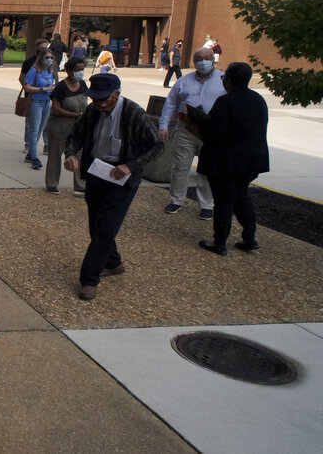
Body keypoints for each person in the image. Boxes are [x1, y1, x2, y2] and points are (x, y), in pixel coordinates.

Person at [64, 74, 164, 300]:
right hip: (97, 173)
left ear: (116, 94)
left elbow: (157, 145)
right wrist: (71, 154)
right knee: (97, 226)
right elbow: (74, 136)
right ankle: (114, 262)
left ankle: (89, 280)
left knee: (105, 229)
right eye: (95, 99)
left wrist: (131, 166)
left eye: (103, 99)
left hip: (122, 179)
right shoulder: (92, 112)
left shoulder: (133, 113)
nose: (98, 104)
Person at [196, 63, 269, 255]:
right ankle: (249, 237)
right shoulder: (259, 100)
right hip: (252, 160)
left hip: (227, 161)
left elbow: (214, 132)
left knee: (224, 200)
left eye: (224, 78)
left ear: (229, 80)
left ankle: (219, 242)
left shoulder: (225, 102)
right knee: (241, 195)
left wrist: (199, 123)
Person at [158, 47, 226, 219]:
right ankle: (176, 200)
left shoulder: (223, 80)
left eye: (207, 58)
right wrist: (163, 125)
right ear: (194, 61)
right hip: (186, 129)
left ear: (213, 59)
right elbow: (171, 103)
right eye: (199, 58)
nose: (203, 61)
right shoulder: (184, 81)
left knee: (206, 169)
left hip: (210, 131)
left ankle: (206, 205)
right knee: (180, 166)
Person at [45, 56, 88, 195]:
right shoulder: (61, 87)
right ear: (69, 70)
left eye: (82, 69)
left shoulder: (83, 85)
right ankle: (52, 183)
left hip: (78, 128)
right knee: (55, 156)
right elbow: (55, 109)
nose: (80, 72)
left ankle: (80, 185)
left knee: (80, 155)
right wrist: (75, 115)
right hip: (60, 127)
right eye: (77, 70)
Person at [22, 47, 57, 170]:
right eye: (46, 57)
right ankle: (34, 158)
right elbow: (27, 87)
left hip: (46, 102)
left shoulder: (50, 71)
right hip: (35, 102)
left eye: (51, 58)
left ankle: (31, 153)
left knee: (41, 128)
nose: (49, 60)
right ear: (41, 58)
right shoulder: (34, 70)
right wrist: (43, 89)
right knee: (34, 130)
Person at [20, 38, 51, 155]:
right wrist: (33, 90)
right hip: (33, 99)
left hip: (46, 99)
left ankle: (46, 144)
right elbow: (23, 79)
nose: (47, 56)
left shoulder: (51, 65)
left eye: (47, 49)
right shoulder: (30, 65)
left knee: (45, 124)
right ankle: (30, 149)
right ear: (37, 50)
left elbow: (54, 80)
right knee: (32, 126)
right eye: (42, 50)